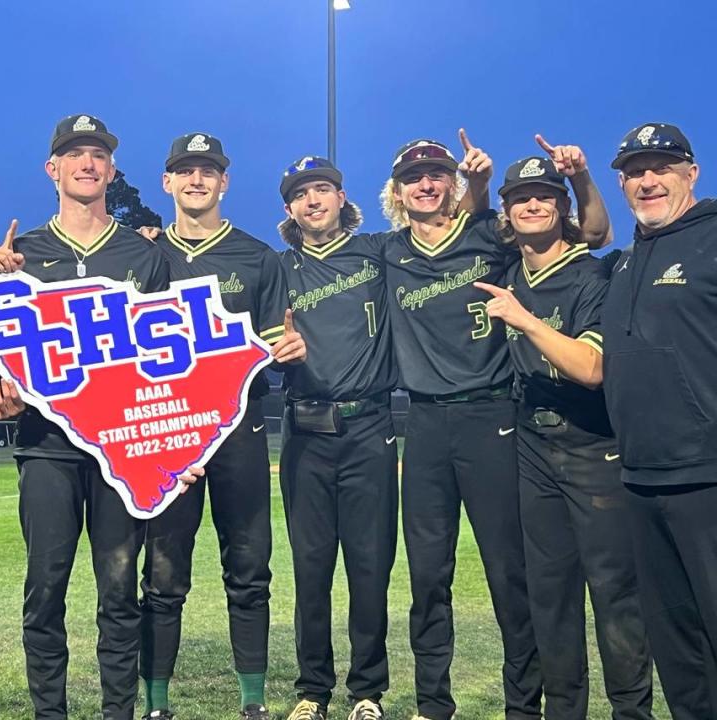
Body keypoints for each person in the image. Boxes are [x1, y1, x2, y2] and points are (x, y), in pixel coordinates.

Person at [0, 114, 170, 720]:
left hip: (120, 452)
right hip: (46, 448)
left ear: (111, 170)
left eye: (98, 155)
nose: (87, 164)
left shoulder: (144, 255)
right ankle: (51, 713)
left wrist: (175, 442)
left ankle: (118, 711)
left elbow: (168, 366)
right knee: (44, 592)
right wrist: (0, 389)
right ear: (53, 169)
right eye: (74, 154)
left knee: (119, 593)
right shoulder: (23, 254)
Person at [475, 150, 653, 720]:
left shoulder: (594, 272)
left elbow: (592, 368)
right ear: (508, 212)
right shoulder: (507, 268)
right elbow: (470, 220)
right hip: (533, 445)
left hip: (593, 446)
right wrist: (476, 183)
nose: (532, 204)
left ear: (561, 207)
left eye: (544, 196)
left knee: (614, 592)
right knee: (549, 595)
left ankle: (632, 711)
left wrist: (524, 319)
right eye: (521, 198)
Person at [138, 132, 304, 720]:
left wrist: (285, 348)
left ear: (224, 182)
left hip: (239, 429)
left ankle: (253, 701)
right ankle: (156, 704)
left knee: (249, 565)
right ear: (168, 182)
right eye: (185, 171)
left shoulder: (258, 257)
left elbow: (275, 338)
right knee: (162, 571)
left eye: (207, 171)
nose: (196, 180)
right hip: (167, 432)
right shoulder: (145, 257)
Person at [381, 134, 545, 720]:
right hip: (424, 424)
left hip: (492, 416)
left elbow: (591, 235)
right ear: (397, 191)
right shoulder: (386, 252)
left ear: (451, 182)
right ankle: (433, 705)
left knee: (509, 571)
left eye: (436, 174)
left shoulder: (488, 236)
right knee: (428, 577)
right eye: (413, 177)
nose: (425, 185)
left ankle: (523, 706)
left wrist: (482, 187)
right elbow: (317, 254)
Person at [276, 156, 398, 720]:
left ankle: (368, 691)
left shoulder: (378, 252)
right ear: (290, 209)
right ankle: (312, 690)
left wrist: (473, 188)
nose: (313, 199)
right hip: (304, 429)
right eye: (301, 194)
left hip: (370, 425)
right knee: (311, 567)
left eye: (322, 188)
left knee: (370, 565)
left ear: (341, 196)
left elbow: (443, 236)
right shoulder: (278, 269)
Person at [602, 122, 717, 720]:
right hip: (642, 479)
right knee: (678, 650)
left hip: (707, 477)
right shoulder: (624, 262)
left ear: (691, 173)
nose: (648, 180)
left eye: (662, 167)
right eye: (634, 171)